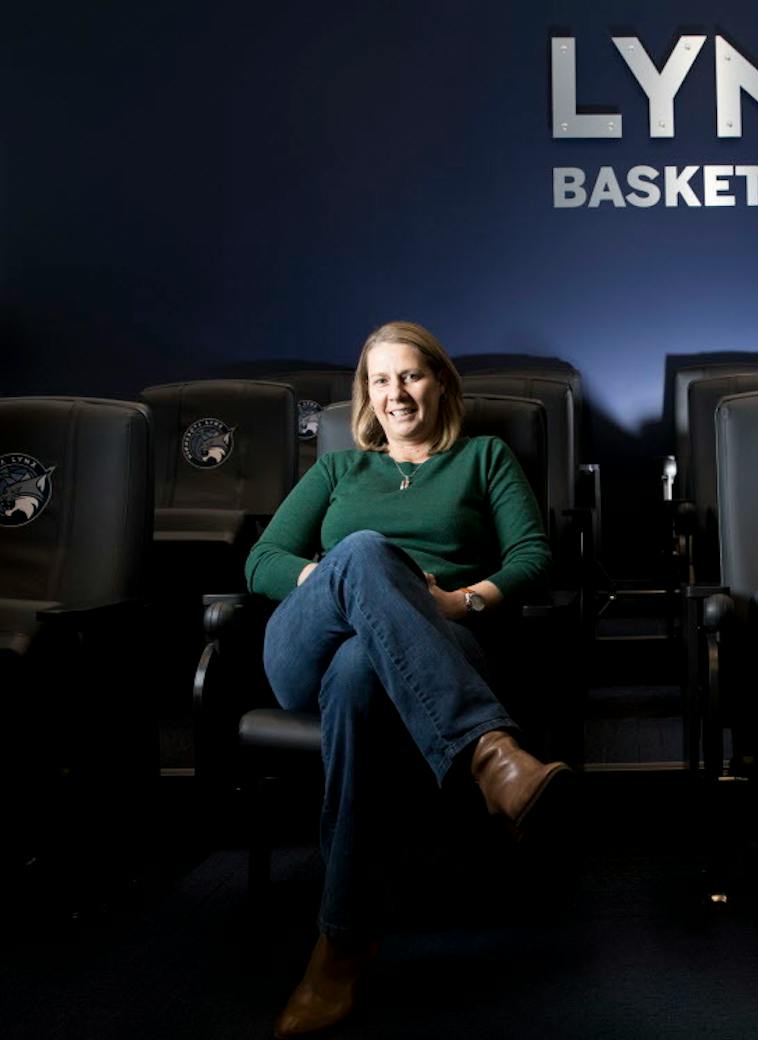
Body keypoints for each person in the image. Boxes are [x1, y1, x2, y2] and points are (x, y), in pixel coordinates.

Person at [245, 320, 570, 1037]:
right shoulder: (337, 470)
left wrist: (459, 599)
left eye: (411, 376)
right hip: (307, 648)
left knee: (365, 671)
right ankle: (491, 755)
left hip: (435, 644)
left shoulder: (483, 457)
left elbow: (532, 556)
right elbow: (262, 562)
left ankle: (339, 945)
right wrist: (347, 581)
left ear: (441, 384)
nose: (396, 393)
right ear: (365, 394)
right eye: (380, 379)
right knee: (363, 551)